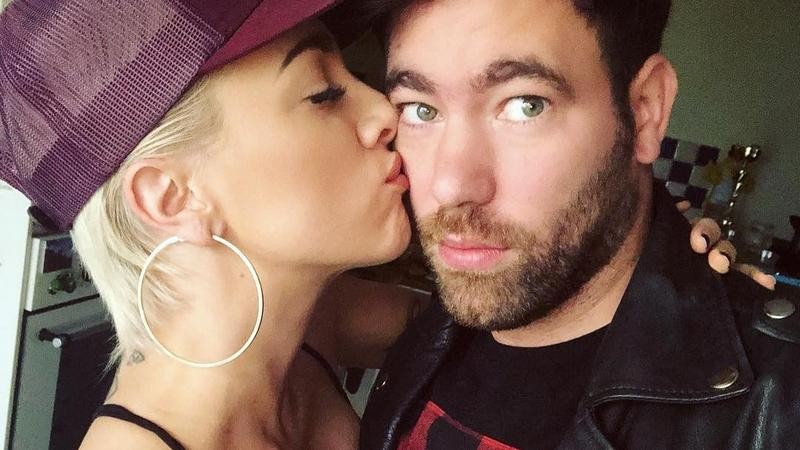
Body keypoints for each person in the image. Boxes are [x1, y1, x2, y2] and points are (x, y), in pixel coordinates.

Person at [0, 1, 769, 449]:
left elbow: (516, 311)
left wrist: (672, 275)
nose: (387, 115)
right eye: (323, 94)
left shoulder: (316, 325)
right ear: (172, 198)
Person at [354, 1, 800, 449]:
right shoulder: (422, 330)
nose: (450, 187)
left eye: (526, 105)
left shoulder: (778, 406)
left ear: (645, 110)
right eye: (420, 110)